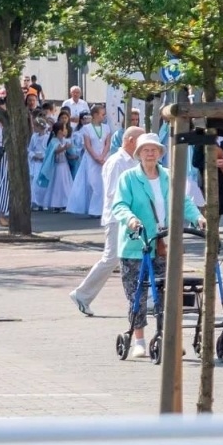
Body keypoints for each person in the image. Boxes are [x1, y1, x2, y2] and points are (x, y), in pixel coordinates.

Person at [110, 133, 202, 358]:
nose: (150, 153)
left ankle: (168, 338)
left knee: (167, 295)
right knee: (137, 295)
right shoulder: (129, 178)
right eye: (145, 150)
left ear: (161, 153)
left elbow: (184, 202)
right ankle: (139, 341)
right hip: (136, 245)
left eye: (154, 150)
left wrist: (198, 217)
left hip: (163, 244)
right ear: (138, 154)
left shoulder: (169, 177)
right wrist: (130, 219)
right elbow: (120, 205)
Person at [70, 126, 142, 315]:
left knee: (138, 256)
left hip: (130, 217)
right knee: (112, 258)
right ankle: (82, 294)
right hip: (117, 217)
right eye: (141, 141)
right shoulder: (116, 161)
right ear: (131, 140)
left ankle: (145, 299)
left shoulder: (133, 161)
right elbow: (112, 192)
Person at [66, 104, 113, 218]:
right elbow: (88, 145)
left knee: (103, 183)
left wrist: (102, 156)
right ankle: (93, 209)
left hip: (103, 158)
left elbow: (107, 143)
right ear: (95, 114)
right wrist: (96, 157)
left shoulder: (106, 128)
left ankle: (101, 210)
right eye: (102, 114)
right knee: (93, 183)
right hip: (91, 159)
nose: (104, 116)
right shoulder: (86, 128)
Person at [37, 118, 74, 213]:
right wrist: (64, 148)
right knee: (58, 186)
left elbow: (68, 152)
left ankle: (65, 203)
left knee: (66, 185)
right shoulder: (54, 141)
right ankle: (57, 204)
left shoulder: (64, 140)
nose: (66, 130)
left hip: (64, 165)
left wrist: (72, 155)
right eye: (65, 128)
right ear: (60, 131)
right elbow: (55, 151)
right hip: (58, 167)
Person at [28, 116, 50, 210]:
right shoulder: (34, 137)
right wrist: (34, 155)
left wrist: (44, 157)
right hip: (36, 162)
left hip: (43, 162)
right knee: (35, 182)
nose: (34, 128)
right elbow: (30, 149)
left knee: (43, 183)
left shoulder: (47, 137)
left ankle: (44, 202)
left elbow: (49, 150)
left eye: (36, 126)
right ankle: (35, 202)